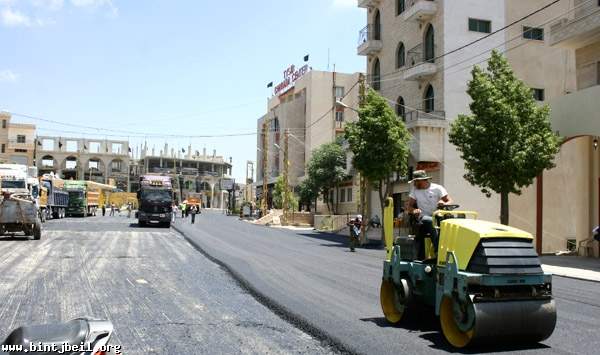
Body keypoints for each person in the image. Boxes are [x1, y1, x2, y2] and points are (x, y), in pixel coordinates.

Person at [406, 170, 452, 260]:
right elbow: (409, 206)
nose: (414, 183)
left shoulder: (438, 188)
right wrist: (414, 210)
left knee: (451, 222)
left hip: (438, 215)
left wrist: (443, 203)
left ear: (423, 180)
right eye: (414, 181)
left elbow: (449, 201)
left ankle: (451, 250)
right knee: (430, 220)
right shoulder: (414, 191)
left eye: (416, 181)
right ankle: (438, 251)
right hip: (423, 217)